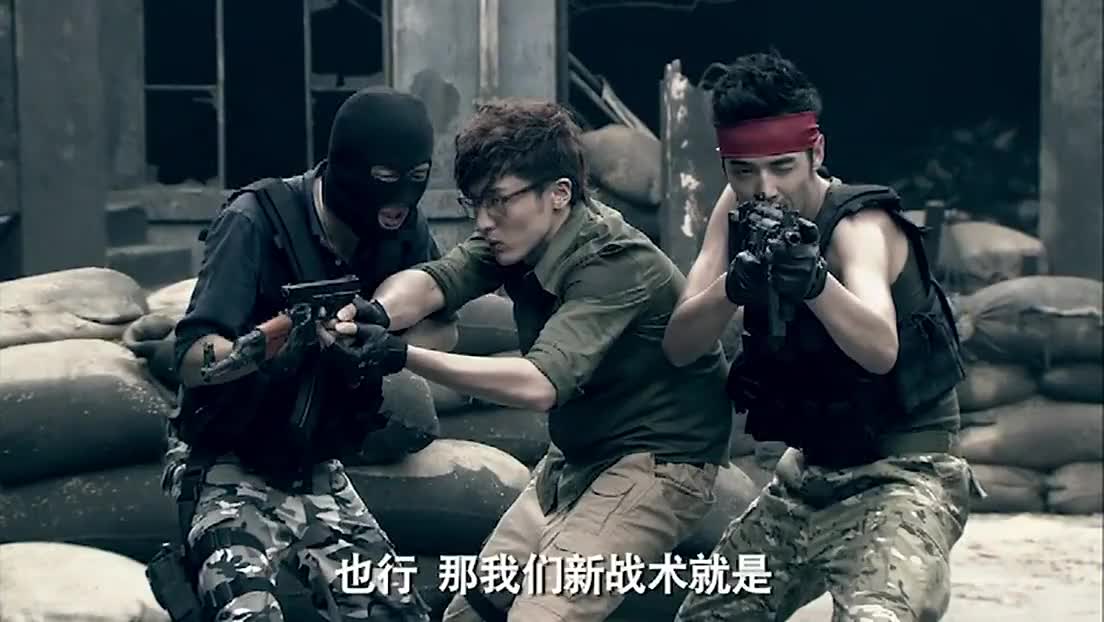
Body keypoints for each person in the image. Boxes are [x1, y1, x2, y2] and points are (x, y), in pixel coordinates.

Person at [324, 99, 734, 621]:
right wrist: (377, 313)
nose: (484, 221)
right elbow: (436, 281)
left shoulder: (614, 262)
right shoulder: (516, 239)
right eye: (475, 203)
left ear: (559, 193)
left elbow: (539, 383)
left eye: (498, 201)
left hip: (658, 462)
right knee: (472, 612)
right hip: (577, 455)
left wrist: (404, 354)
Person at [664, 51, 982, 622]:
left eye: (782, 167)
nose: (764, 188)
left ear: (817, 152)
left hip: (904, 476)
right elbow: (680, 344)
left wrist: (815, 283)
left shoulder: (859, 226)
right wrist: (731, 288)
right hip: (808, 476)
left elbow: (881, 349)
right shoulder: (735, 208)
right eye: (743, 171)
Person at [159, 87, 457, 622]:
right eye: (384, 178)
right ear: (345, 167)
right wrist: (270, 341)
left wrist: (384, 343)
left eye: (417, 177)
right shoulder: (255, 220)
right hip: (229, 463)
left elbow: (444, 329)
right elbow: (191, 357)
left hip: (316, 465)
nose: (399, 197)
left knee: (397, 612)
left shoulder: (404, 229)